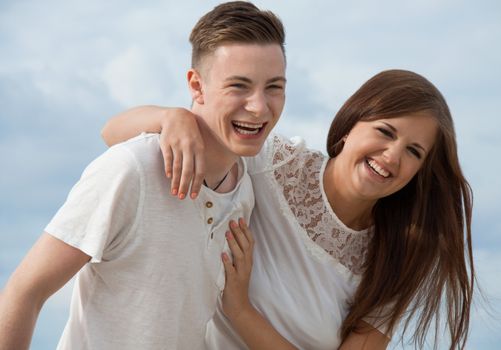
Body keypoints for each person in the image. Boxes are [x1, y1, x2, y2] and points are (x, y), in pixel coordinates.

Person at [102, 69, 475, 349]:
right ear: (350, 125)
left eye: (414, 152)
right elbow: (113, 133)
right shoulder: (273, 165)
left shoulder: (400, 256)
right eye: (385, 132)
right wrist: (174, 118)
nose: (392, 156)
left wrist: (240, 310)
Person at [0, 2, 287, 349]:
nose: (259, 106)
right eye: (239, 86)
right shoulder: (131, 169)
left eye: (274, 87)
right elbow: (25, 291)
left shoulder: (244, 189)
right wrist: (170, 116)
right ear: (197, 86)